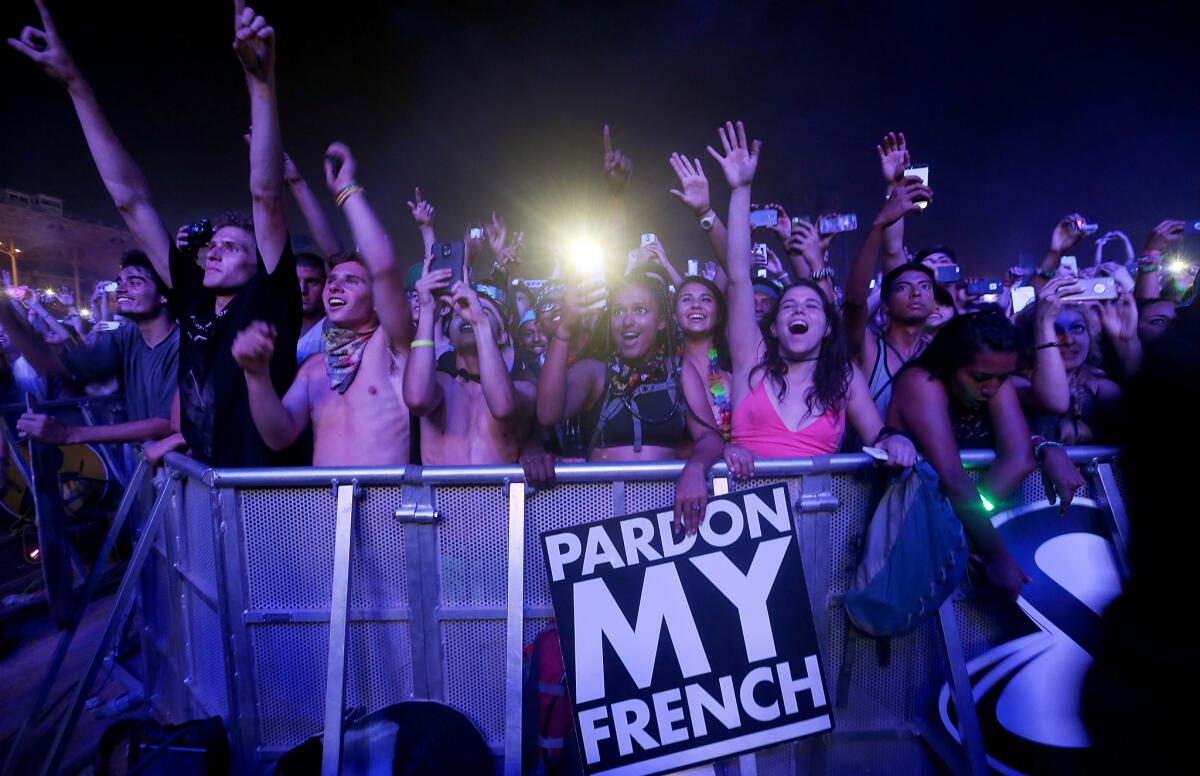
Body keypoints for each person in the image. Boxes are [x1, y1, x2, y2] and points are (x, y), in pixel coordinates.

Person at [10, 2, 301, 466]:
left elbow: (265, 193)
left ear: (258, 261)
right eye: (214, 246)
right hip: (205, 494)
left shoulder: (268, 296)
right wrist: (75, 85)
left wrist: (261, 83)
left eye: (232, 247)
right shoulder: (194, 300)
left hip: (261, 497)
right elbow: (131, 200)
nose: (214, 253)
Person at [703, 120, 915, 478]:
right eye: (788, 306)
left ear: (827, 325)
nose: (799, 309)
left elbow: (878, 434)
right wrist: (741, 189)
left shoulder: (843, 377)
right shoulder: (751, 361)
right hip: (749, 517)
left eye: (811, 306)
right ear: (773, 327)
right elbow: (738, 277)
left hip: (818, 518)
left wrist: (895, 441)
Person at [232, 143, 413, 466]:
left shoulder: (392, 348)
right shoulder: (315, 367)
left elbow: (384, 268)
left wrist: (347, 190)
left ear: (375, 301)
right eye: (332, 281)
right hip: (325, 512)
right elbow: (279, 435)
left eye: (352, 281)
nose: (335, 286)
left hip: (386, 511)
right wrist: (255, 374)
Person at [888, 309, 1084, 598]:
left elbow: (1019, 458)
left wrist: (963, 533)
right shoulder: (920, 381)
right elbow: (952, 475)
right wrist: (997, 555)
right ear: (951, 363)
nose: (992, 387)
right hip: (907, 533)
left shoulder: (994, 377)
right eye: (980, 378)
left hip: (956, 529)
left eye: (1002, 377)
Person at [536, 269, 725, 534]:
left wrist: (695, 468)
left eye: (639, 310)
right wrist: (565, 329)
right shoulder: (594, 372)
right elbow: (546, 414)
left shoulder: (678, 370)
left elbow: (709, 437)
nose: (627, 321)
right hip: (600, 518)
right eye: (618, 312)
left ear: (661, 321)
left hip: (663, 517)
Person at [0, 250, 178, 446]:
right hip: (145, 460)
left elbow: (167, 424)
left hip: (187, 467)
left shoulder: (184, 344)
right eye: (119, 283)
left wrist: (71, 434)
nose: (120, 289)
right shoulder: (126, 338)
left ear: (164, 296)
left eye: (134, 283)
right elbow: (55, 365)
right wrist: (5, 308)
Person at [404, 267, 536, 466]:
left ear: (502, 336)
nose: (468, 316)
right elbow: (416, 399)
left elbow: (502, 407)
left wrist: (480, 323)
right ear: (450, 338)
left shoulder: (524, 390)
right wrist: (428, 311)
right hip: (439, 496)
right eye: (460, 313)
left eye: (485, 311)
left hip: (498, 497)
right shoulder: (438, 384)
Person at [674, 276, 732, 440]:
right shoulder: (665, 370)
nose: (696, 305)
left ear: (719, 315)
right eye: (686, 299)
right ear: (674, 316)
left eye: (705, 299)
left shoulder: (735, 370)